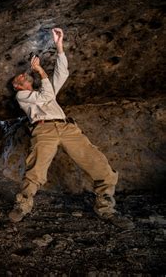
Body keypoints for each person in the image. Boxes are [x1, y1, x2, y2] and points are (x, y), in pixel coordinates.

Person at [8, 28, 134, 230]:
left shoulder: (44, 89)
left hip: (67, 128)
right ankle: (22, 206)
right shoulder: (22, 97)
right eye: (19, 78)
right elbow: (45, 97)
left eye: (23, 74)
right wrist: (40, 71)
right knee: (36, 169)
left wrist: (59, 47)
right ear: (17, 87)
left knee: (99, 163)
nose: (23, 75)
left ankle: (106, 208)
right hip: (44, 130)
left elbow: (62, 74)